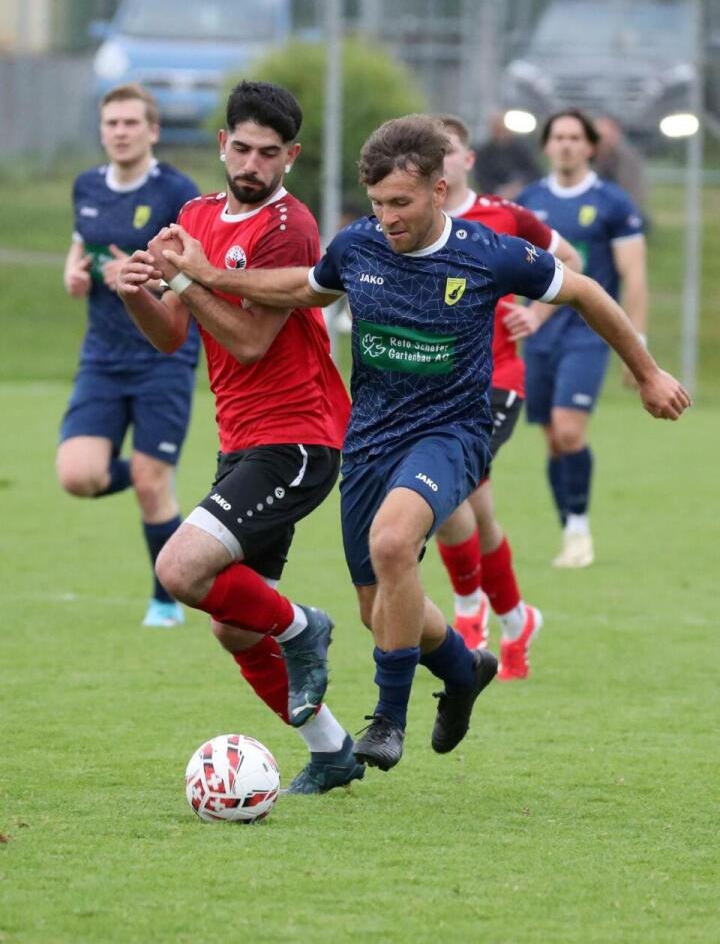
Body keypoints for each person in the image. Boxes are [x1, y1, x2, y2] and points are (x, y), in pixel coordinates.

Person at [155, 114, 690, 774]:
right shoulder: (358, 246)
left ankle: (387, 718)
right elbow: (297, 287)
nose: (388, 217)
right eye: (378, 203)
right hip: (372, 439)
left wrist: (647, 373)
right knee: (377, 605)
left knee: (391, 542)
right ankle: (464, 671)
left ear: (440, 190)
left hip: (451, 432)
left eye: (401, 203)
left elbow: (583, 290)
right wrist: (209, 274)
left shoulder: (487, 251)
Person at [117, 80, 363, 795]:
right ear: (223, 144)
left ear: (291, 156)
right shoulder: (194, 214)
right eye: (242, 149)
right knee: (232, 624)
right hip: (241, 441)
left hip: (299, 439)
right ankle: (333, 748)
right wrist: (139, 286)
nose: (253, 165)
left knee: (180, 570)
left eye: (269, 154)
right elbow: (171, 337)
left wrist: (190, 279)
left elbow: (253, 341)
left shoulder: (289, 226)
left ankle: (304, 628)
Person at [432, 114, 582, 679]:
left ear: (467, 160)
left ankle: (470, 611)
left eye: (447, 151)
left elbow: (571, 262)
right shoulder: (412, 221)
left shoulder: (505, 217)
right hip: (437, 388)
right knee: (475, 509)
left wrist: (537, 312)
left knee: (452, 496)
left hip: (498, 380)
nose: (438, 161)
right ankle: (517, 620)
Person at [56, 82, 200, 628]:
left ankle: (165, 600)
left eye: (131, 123)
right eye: (111, 123)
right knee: (78, 476)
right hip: (101, 356)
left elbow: (192, 273)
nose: (120, 132)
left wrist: (142, 283)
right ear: (102, 130)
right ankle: (152, 474)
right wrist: (73, 270)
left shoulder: (176, 191)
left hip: (161, 355)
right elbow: (83, 243)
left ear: (153, 131)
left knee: (149, 481)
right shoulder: (87, 185)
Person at [517, 108, 649, 568]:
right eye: (558, 137)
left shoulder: (613, 203)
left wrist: (639, 344)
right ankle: (568, 527)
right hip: (540, 332)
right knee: (554, 438)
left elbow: (634, 275)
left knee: (570, 431)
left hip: (589, 335)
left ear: (590, 146)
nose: (567, 144)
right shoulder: (529, 201)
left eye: (576, 137)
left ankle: (579, 529)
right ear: (547, 145)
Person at [473, 112, 542, 200]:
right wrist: (499, 190)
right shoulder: (484, 152)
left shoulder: (521, 149)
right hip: (494, 198)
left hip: (523, 196)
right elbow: (481, 178)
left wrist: (519, 185)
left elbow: (534, 171)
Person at [593, 115, 648, 216]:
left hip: (620, 210)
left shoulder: (628, 158)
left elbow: (631, 193)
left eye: (606, 136)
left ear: (616, 134)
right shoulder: (590, 155)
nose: (603, 141)